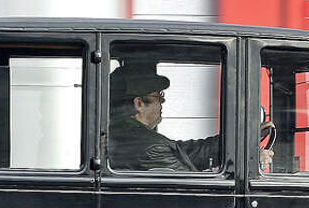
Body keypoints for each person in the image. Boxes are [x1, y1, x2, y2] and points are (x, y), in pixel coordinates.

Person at [108, 63, 275, 172]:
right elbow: (194, 185)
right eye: (158, 96)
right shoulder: (151, 147)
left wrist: (244, 139)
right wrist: (251, 164)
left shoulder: (127, 135)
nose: (163, 101)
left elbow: (190, 152)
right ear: (139, 103)